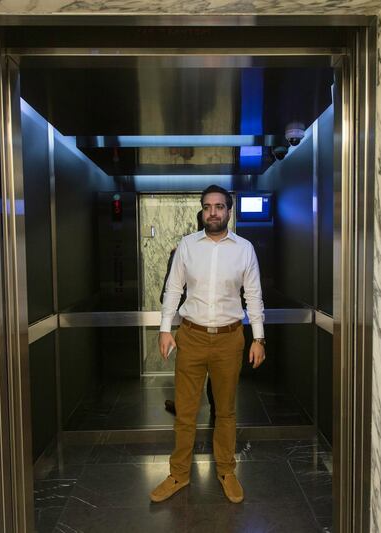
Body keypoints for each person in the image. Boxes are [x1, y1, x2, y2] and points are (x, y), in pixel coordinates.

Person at [150, 185, 266, 505]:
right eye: (207, 206)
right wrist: (164, 330)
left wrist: (258, 338)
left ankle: (227, 470)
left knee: (226, 411)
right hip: (192, 336)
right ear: (201, 211)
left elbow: (253, 296)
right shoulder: (188, 246)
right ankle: (179, 474)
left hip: (230, 339)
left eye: (219, 206)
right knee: (186, 412)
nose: (212, 212)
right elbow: (174, 290)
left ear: (229, 211)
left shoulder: (244, 249)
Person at [161, 210, 216, 419]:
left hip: (191, 323)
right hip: (195, 324)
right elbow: (169, 290)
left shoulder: (182, 250)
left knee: (192, 372)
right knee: (196, 371)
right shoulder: (183, 250)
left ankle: (197, 408)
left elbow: (166, 291)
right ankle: (214, 410)